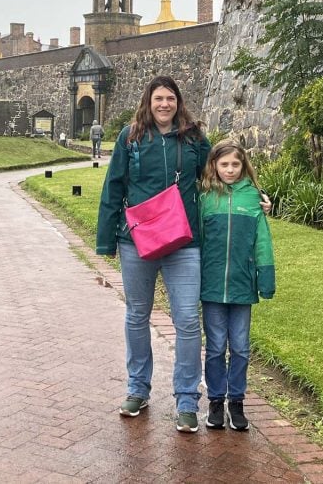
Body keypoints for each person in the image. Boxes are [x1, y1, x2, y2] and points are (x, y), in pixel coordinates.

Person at [96, 75, 211, 433]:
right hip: (137, 241)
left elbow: (218, 177)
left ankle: (188, 399)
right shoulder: (130, 138)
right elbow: (114, 185)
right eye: (159, 98)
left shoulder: (194, 138)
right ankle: (137, 388)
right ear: (149, 101)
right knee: (136, 315)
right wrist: (106, 241)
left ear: (179, 102)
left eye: (170, 99)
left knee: (188, 322)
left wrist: (255, 195)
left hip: (183, 242)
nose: (164, 105)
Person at [198, 140, 275, 432]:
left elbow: (263, 243)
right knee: (216, 347)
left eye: (235, 164)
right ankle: (216, 400)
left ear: (244, 166)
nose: (230, 170)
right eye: (224, 164)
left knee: (241, 347)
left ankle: (237, 401)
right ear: (214, 166)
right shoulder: (204, 198)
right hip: (213, 286)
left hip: (243, 286)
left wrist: (266, 278)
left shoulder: (254, 198)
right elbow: (199, 241)